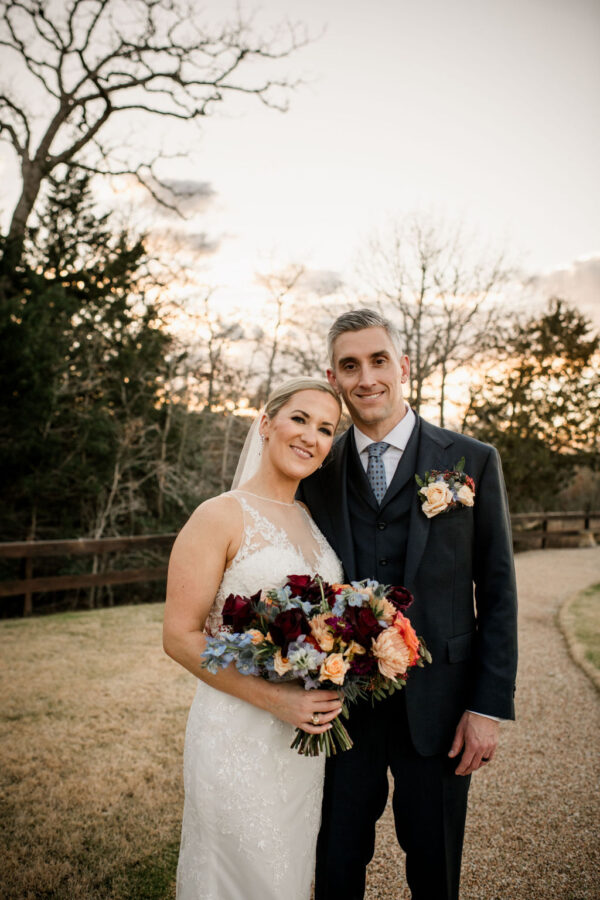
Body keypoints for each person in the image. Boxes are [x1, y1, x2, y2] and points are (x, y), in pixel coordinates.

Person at [298, 309, 518, 900]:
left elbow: (498, 591)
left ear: (404, 366)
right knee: (335, 862)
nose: (367, 378)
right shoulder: (315, 469)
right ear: (333, 378)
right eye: (350, 366)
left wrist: (487, 707)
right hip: (341, 707)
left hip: (440, 706)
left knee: (435, 867)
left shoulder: (472, 460)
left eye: (378, 361)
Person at [163, 377, 345, 900]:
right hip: (235, 733)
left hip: (300, 745)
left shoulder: (310, 519)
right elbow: (179, 636)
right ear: (265, 423)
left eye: (326, 429)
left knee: (286, 875)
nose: (310, 436)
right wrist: (276, 699)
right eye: (299, 419)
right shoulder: (218, 515)